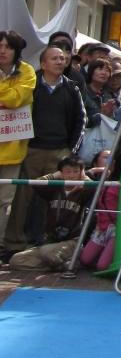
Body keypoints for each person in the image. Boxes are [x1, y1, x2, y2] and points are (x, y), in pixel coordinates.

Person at [2, 44, 84, 254]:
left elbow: (80, 120)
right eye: (54, 58)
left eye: (62, 58)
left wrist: (71, 151)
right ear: (43, 63)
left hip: (60, 152)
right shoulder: (32, 85)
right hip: (32, 150)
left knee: (54, 200)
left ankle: (46, 241)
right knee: (21, 199)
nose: (60, 61)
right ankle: (13, 244)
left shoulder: (72, 88)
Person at [0, 30, 36, 243]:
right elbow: (12, 97)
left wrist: (7, 96)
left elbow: (16, 99)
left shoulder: (27, 71)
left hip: (14, 149)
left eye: (8, 47)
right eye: (0, 46)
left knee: (5, 202)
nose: (2, 51)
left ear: (16, 50)